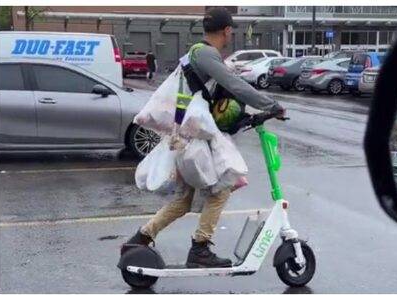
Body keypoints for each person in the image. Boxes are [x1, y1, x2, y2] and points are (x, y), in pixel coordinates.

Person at [122, 7, 284, 268]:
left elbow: (215, 98)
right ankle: (200, 248)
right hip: (191, 140)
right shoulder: (205, 53)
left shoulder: (195, 52)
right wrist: (270, 104)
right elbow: (233, 84)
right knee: (222, 187)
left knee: (184, 201)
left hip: (185, 136)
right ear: (227, 30)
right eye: (231, 30)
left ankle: (140, 238)